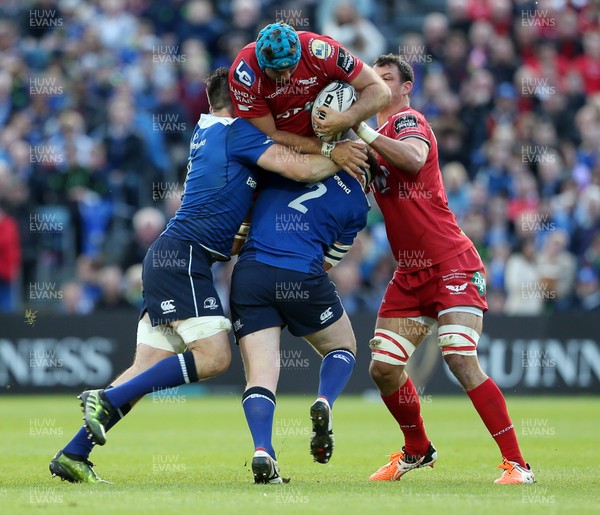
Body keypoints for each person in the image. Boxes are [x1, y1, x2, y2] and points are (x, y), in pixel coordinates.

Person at [49, 67, 342, 484]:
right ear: (241, 100)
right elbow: (301, 170)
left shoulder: (209, 130)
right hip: (184, 259)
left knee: (142, 372)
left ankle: (74, 453)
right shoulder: (236, 131)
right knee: (215, 357)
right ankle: (106, 397)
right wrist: (338, 154)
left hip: (169, 256)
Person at [353, 54, 535, 484]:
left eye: (387, 78)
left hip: (451, 262)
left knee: (458, 356)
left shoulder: (407, 121)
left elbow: (414, 160)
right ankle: (418, 450)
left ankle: (517, 464)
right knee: (382, 368)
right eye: (371, 78)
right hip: (409, 274)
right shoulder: (371, 139)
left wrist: (357, 129)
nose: (377, 84)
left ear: (404, 88)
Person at [230, 162, 373, 484]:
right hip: (301, 274)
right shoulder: (357, 206)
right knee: (342, 345)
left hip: (251, 273)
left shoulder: (287, 163)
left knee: (260, 375)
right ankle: (324, 400)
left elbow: (243, 219)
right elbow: (325, 263)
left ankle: (263, 450)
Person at [228, 22, 390, 175]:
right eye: (278, 72)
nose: (286, 77)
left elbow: (381, 91)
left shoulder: (320, 51)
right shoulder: (245, 74)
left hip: (337, 133)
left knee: (372, 164)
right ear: (263, 65)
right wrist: (330, 150)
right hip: (285, 152)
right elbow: (272, 134)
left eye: (291, 68)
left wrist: (348, 117)